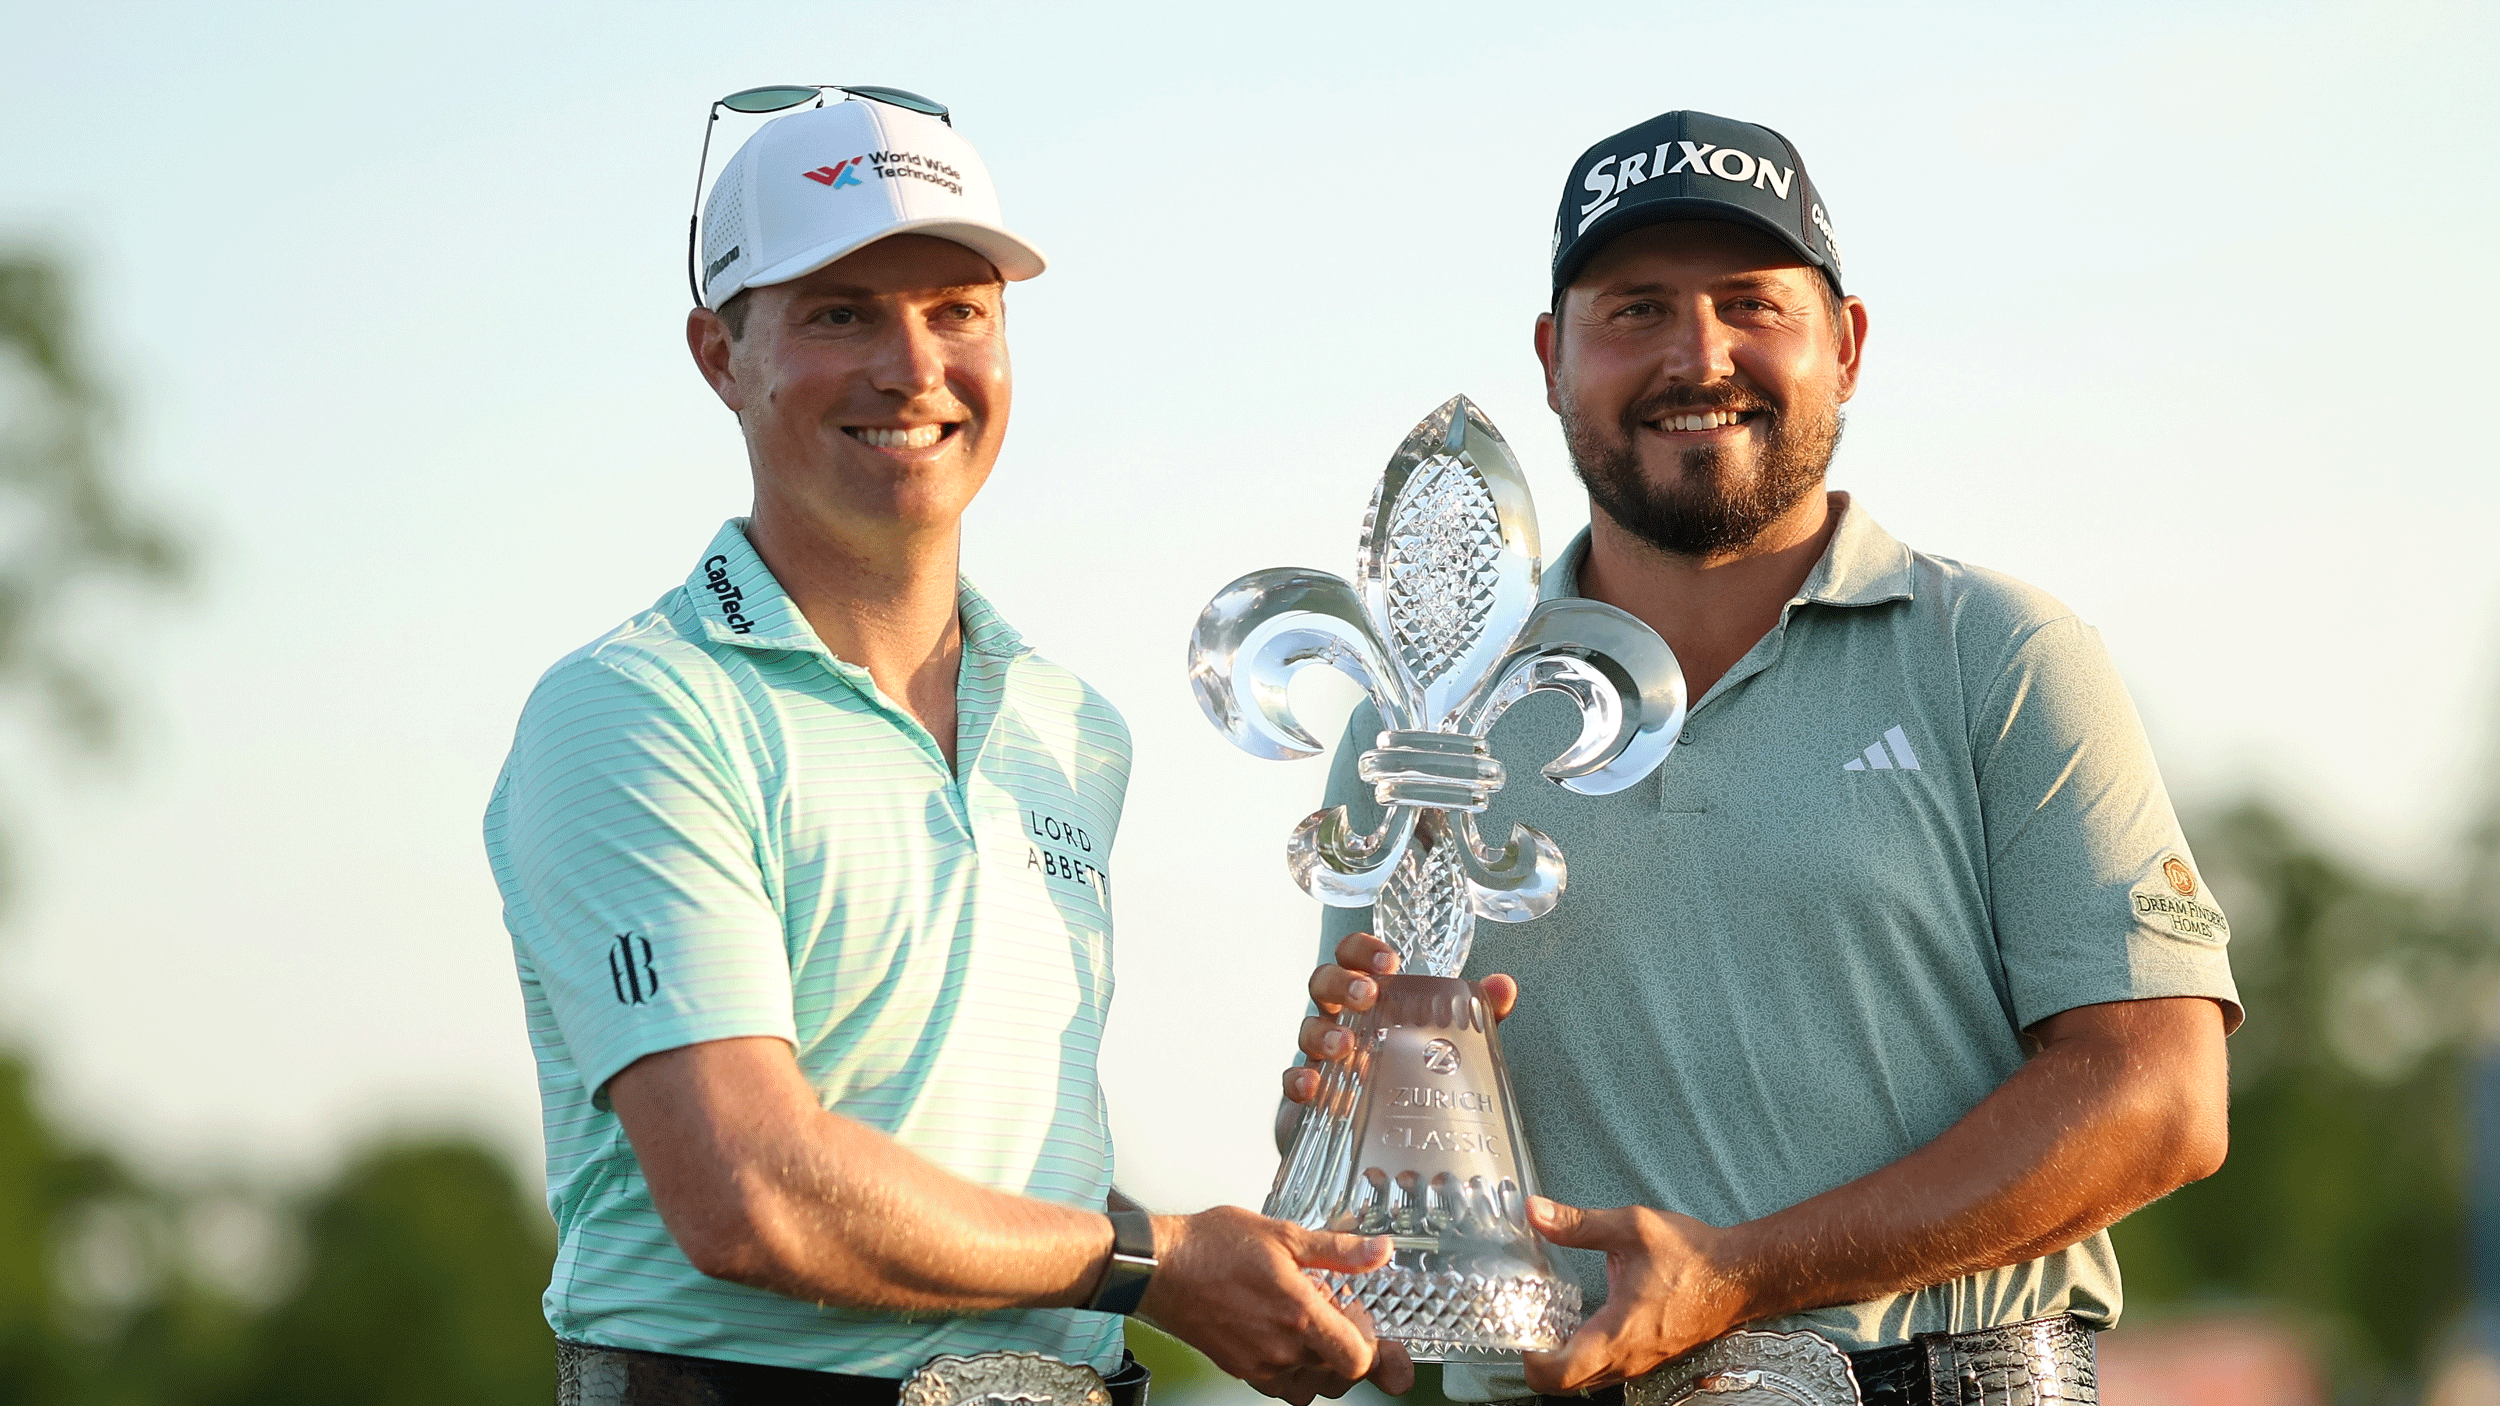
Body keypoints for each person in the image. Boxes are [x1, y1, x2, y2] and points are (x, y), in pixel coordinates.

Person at [1282, 110, 2238, 1406]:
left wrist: (1742, 1271)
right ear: (1553, 358)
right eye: (1636, 311)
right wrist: (1338, 1132)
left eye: (1752, 304)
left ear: (1845, 346)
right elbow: (1380, 1210)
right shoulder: (1424, 728)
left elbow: (2161, 1092)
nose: (1700, 355)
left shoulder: (1998, 654)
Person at [486, 88, 1403, 1406]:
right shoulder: (639, 708)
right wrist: (1159, 1258)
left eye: (957, 310)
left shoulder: (1069, 724)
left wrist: (1322, 1226)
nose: (913, 369)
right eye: (841, 312)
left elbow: (981, 1182)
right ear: (719, 354)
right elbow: (752, 1192)